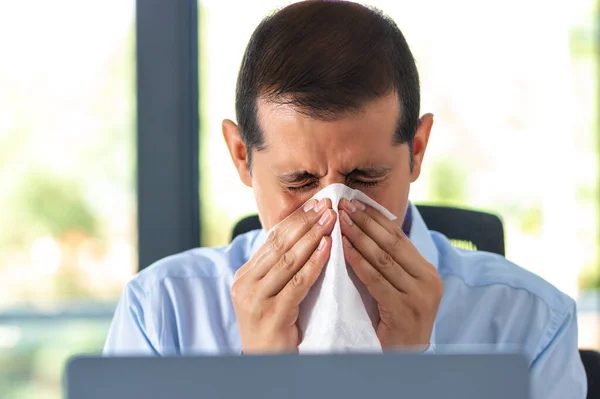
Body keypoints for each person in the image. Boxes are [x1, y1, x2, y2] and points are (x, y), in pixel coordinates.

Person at [104, 1, 586, 397]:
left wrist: (412, 378)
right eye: (298, 182)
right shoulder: (162, 315)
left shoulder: (531, 325)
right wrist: (261, 383)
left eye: (365, 177)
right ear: (241, 158)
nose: (332, 210)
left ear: (416, 151)